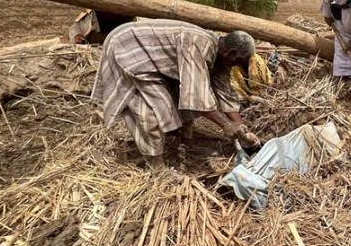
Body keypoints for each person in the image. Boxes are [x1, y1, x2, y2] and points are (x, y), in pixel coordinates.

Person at [90, 19, 261, 170]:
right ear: (231, 54)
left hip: (153, 58)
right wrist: (225, 124)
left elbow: (226, 95)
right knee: (152, 108)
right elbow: (197, 97)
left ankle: (185, 143)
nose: (237, 66)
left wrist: (242, 130)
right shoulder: (198, 44)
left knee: (181, 98)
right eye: (239, 61)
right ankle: (156, 165)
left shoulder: (221, 58)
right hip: (129, 48)